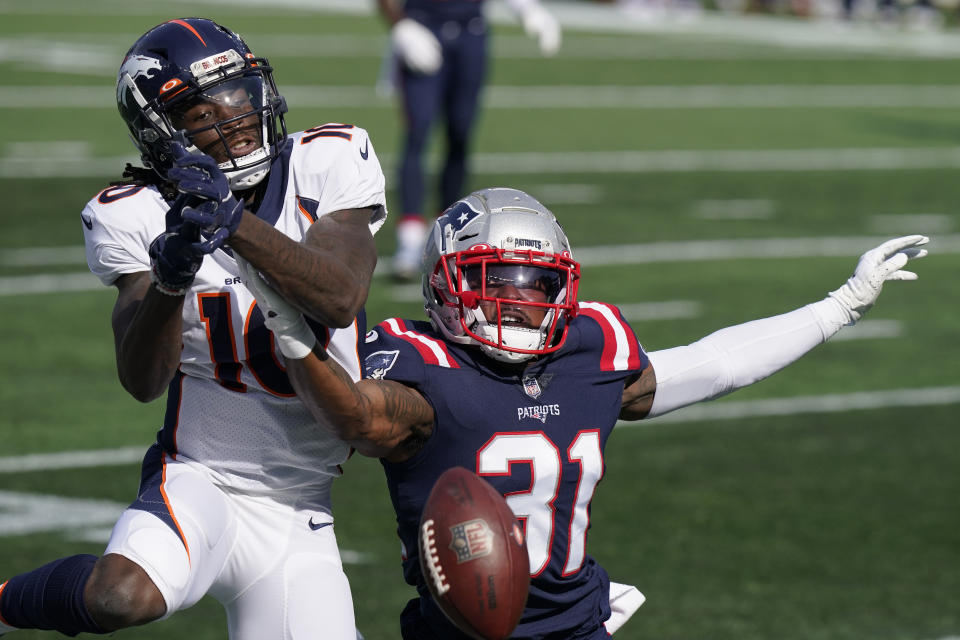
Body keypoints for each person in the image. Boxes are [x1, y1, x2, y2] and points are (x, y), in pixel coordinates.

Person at [235, 186, 928, 638]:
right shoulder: (424, 366)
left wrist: (838, 306)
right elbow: (358, 418)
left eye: (536, 283)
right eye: (495, 279)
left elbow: (713, 364)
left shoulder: (590, 350)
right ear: (448, 282)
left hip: (577, 624)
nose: (519, 299)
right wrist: (299, 343)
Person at [0, 17, 386, 640]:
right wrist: (170, 280)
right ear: (160, 132)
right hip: (201, 476)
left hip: (300, 507)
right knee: (121, 596)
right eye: (203, 112)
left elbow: (339, 296)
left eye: (239, 93)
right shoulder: (135, 212)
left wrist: (233, 222)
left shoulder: (328, 160)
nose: (233, 118)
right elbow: (142, 380)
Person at [376, 0, 561, 281]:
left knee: (460, 133)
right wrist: (401, 25)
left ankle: (449, 234)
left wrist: (528, 9)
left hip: (470, 32)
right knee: (418, 132)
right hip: (422, 25)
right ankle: (410, 240)